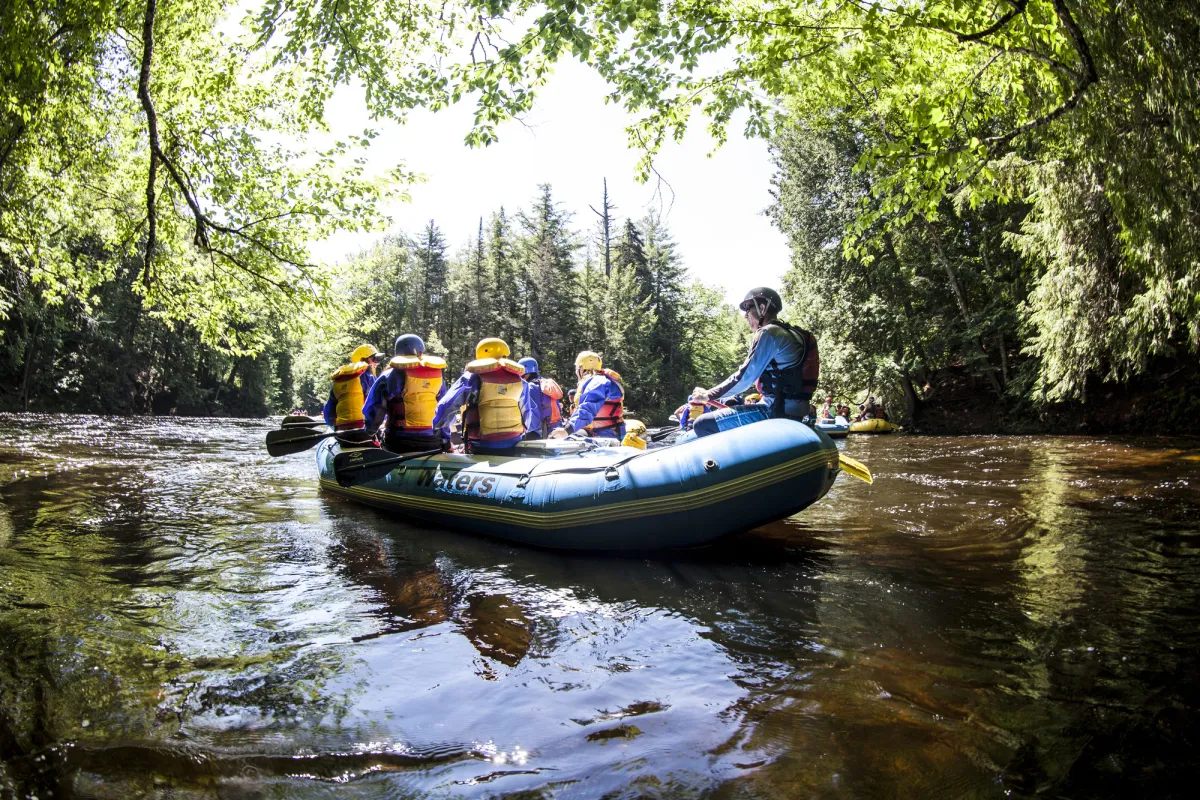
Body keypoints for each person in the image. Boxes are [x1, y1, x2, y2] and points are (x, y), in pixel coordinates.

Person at [689, 287, 818, 435]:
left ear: (762, 308)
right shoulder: (797, 335)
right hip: (797, 412)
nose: (746, 316)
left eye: (748, 309)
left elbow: (744, 378)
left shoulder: (769, 332)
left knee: (702, 424)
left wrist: (708, 394)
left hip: (775, 411)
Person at [432, 338, 534, 454]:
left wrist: (435, 429)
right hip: (513, 442)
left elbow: (447, 405)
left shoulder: (472, 377)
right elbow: (527, 413)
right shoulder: (520, 381)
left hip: (481, 445)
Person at [362, 334, 449, 453]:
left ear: (398, 353)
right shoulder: (437, 376)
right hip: (432, 441)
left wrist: (370, 432)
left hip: (398, 441)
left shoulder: (389, 375)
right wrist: (446, 440)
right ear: (421, 352)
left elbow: (376, 408)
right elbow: (445, 409)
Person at [549, 351, 626, 440]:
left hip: (606, 434)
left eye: (577, 368)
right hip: (600, 431)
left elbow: (587, 408)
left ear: (582, 368)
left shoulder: (597, 382)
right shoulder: (598, 380)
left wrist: (567, 430)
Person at [323, 344, 386, 437]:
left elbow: (328, 412)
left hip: (342, 431)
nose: (377, 363)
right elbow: (377, 406)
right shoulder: (370, 378)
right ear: (362, 360)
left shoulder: (338, 380)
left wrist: (333, 425)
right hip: (364, 431)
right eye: (374, 359)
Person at [517, 356, 564, 438]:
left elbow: (533, 411)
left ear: (524, 373)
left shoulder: (531, 387)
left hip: (543, 432)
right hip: (556, 428)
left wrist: (531, 434)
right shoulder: (544, 384)